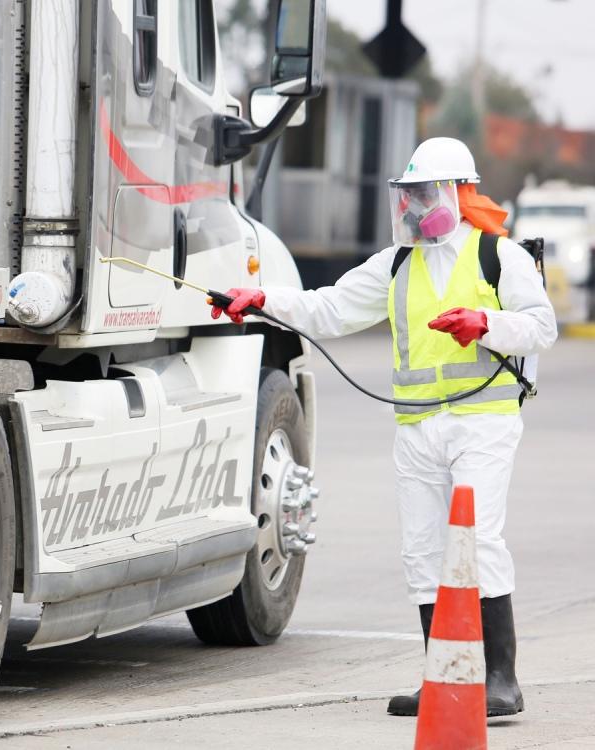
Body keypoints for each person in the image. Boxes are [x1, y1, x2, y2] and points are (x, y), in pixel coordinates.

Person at [213, 137, 557, 717]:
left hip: (483, 422)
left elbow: (541, 326)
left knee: (477, 541)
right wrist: (261, 298)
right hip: (418, 428)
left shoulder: (500, 257)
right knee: (422, 550)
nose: (418, 206)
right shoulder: (397, 263)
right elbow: (329, 308)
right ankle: (443, 678)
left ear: (460, 193)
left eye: (429, 192)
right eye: (411, 194)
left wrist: (485, 323)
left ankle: (501, 679)